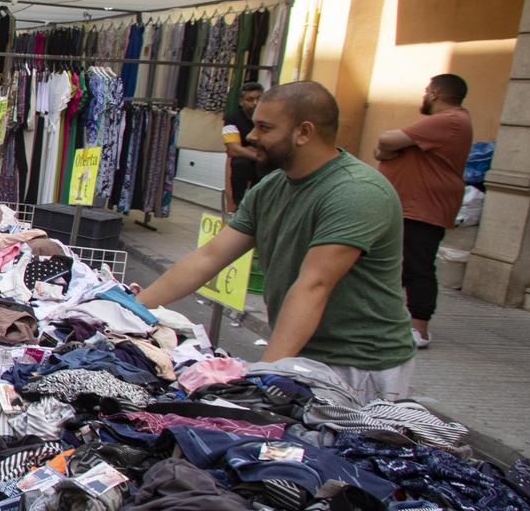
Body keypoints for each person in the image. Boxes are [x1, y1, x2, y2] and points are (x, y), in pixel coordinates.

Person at [138, 81, 417, 402]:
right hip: (304, 355)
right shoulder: (272, 187)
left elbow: (314, 284)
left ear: (304, 132)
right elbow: (209, 257)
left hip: (357, 364)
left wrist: (264, 374)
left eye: (264, 127)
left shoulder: (356, 192)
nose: (252, 136)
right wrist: (133, 310)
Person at [374, 73, 473, 350]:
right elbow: (383, 149)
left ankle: (420, 329)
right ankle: (395, 321)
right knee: (401, 265)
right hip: (411, 206)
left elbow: (386, 139)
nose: (424, 95)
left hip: (423, 207)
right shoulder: (444, 123)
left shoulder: (448, 120)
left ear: (436, 93)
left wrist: (394, 149)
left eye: (427, 90)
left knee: (418, 265)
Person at [221, 80, 265, 213]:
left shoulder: (270, 118)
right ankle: (238, 208)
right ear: (241, 102)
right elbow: (233, 149)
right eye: (250, 99)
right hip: (246, 165)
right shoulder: (232, 118)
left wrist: (244, 150)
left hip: (264, 167)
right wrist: (258, 155)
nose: (255, 103)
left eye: (259, 99)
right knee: (240, 163)